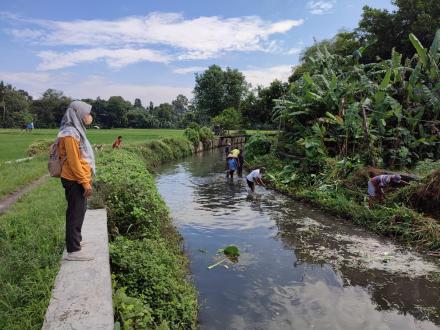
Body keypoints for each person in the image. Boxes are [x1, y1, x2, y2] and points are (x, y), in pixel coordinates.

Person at [58, 100, 95, 261]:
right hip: (74, 180)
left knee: (79, 211)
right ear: (78, 113)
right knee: (75, 212)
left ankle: (76, 241)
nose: (89, 116)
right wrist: (85, 182)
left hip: (77, 178)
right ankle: (73, 251)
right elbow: (73, 162)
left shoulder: (74, 130)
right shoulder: (70, 134)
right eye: (86, 113)